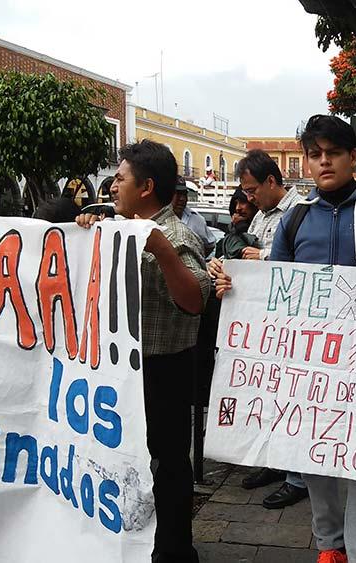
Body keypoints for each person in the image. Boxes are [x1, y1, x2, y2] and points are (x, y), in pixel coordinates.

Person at [212, 114, 356, 563]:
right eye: (315, 155)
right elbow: (276, 290)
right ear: (307, 163)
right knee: (315, 466)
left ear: (354, 157)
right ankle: (330, 550)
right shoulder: (296, 220)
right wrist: (238, 288)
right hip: (312, 374)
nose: (324, 161)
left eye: (333, 153)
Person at [75, 139, 210, 563]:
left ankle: (173, 551)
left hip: (164, 370)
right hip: (119, 369)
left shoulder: (176, 235)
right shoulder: (113, 229)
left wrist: (163, 252)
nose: (112, 187)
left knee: (167, 465)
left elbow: (195, 301)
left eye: (120, 179)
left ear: (147, 186)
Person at [229, 149, 309, 510]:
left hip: (294, 323)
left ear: (272, 182)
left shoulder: (301, 212)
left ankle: (298, 478)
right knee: (271, 398)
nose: (248, 197)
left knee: (294, 401)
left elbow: (303, 264)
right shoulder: (262, 216)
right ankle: (275, 464)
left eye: (251, 189)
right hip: (265, 321)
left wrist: (259, 257)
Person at [172, 178, 216, 257]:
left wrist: (197, 258)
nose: (182, 199)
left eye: (184, 194)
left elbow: (210, 244)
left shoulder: (196, 219)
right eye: (178, 194)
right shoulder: (159, 217)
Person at [215, 188, 260, 260]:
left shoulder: (262, 227)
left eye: (243, 202)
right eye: (236, 203)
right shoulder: (232, 229)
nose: (238, 208)